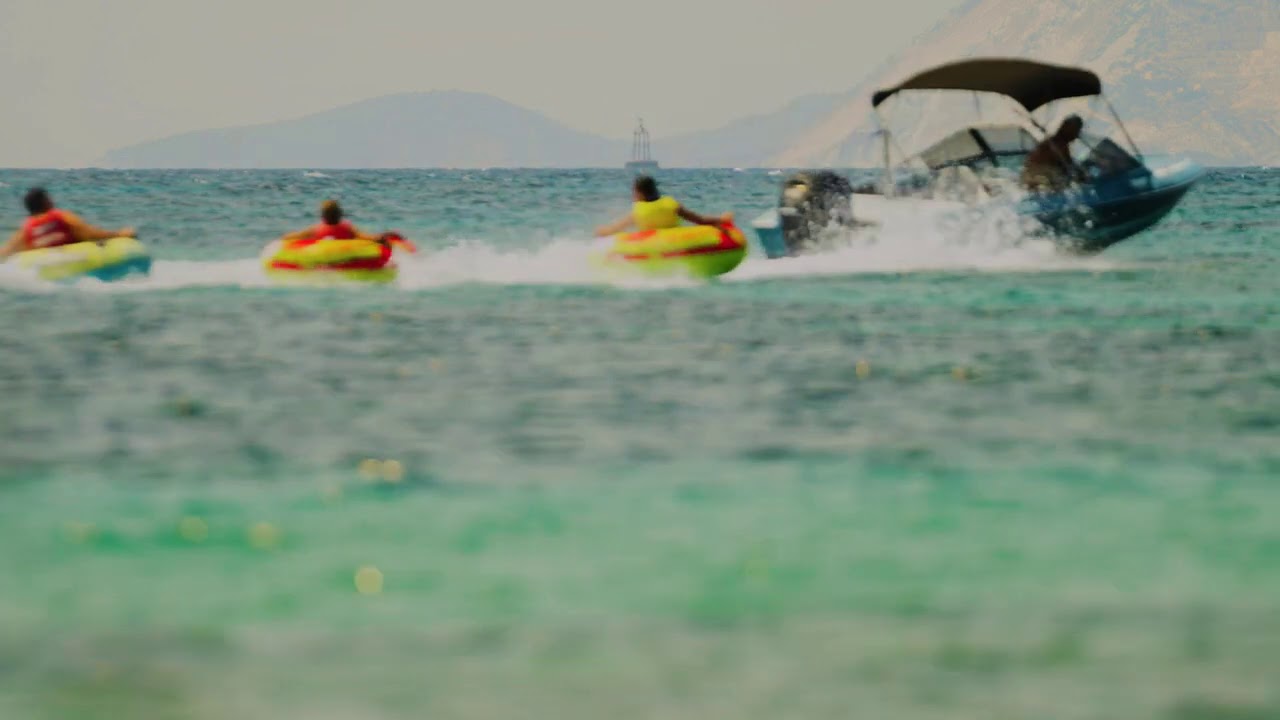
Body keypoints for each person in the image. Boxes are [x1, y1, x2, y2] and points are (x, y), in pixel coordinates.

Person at [0, 187, 135, 260]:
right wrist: (120, 234)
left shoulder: (26, 229)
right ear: (47, 202)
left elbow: (6, 251)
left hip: (45, 264)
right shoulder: (61, 217)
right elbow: (90, 234)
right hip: (78, 259)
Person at [594, 175, 733, 237]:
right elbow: (699, 220)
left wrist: (603, 232)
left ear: (641, 194)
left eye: (634, 192)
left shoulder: (638, 212)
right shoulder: (671, 205)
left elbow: (616, 228)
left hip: (653, 248)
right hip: (678, 242)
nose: (633, 195)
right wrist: (721, 220)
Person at [1021, 115, 1088, 191]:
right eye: (1077, 131)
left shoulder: (1057, 143)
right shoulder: (1057, 145)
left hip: (1030, 175)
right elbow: (1067, 167)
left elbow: (1068, 163)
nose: (1078, 134)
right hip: (1038, 177)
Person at [281, 200, 382, 243]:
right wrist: (380, 238)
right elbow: (365, 237)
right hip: (346, 258)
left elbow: (296, 236)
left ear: (323, 216)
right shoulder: (348, 228)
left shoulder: (316, 229)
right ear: (340, 215)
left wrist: (286, 236)